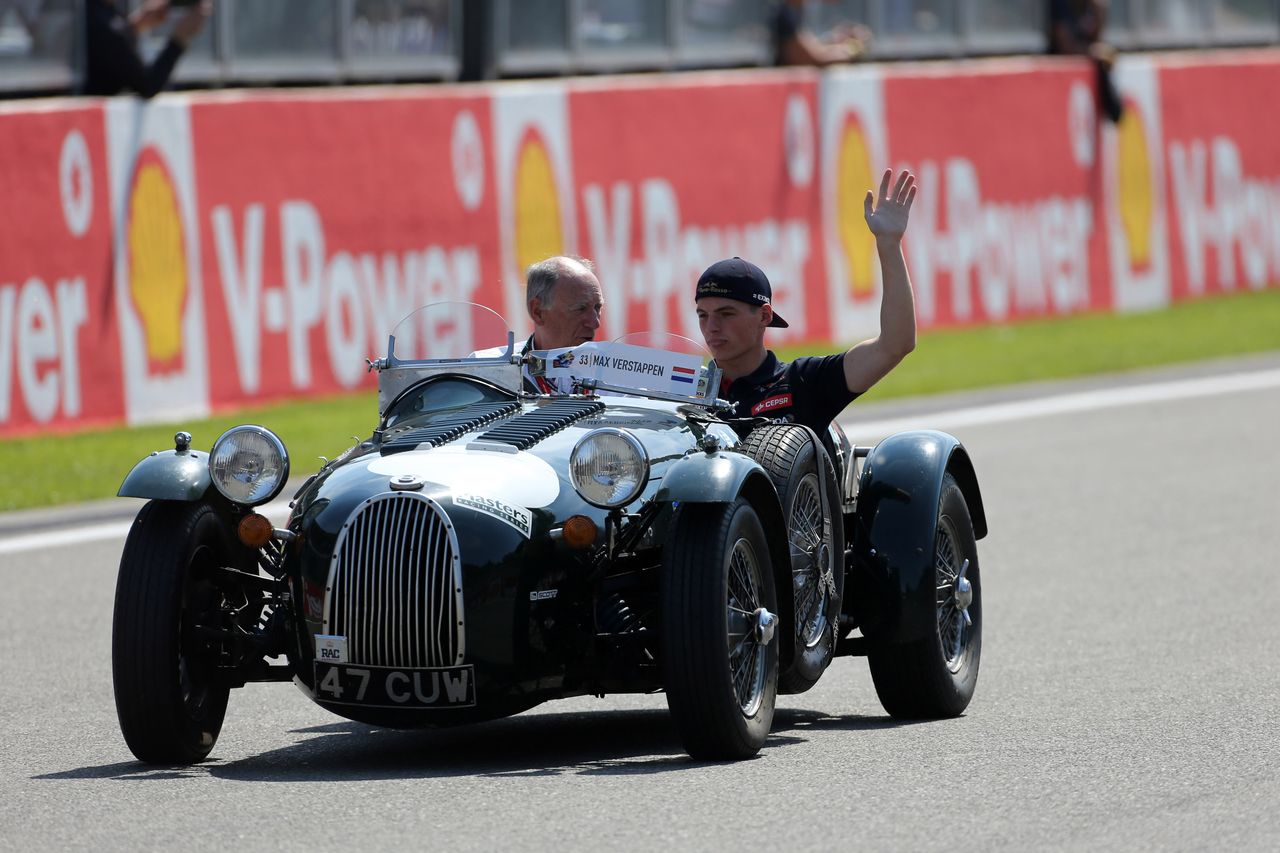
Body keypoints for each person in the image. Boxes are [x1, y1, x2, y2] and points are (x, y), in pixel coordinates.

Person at [694, 168, 916, 437]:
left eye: (726, 313)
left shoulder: (803, 380)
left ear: (765, 316)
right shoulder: (685, 389)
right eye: (703, 315)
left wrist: (889, 244)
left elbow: (895, 345)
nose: (711, 327)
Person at [471, 256, 604, 393]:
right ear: (538, 311)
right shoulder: (487, 372)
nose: (594, 323)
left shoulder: (617, 374)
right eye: (580, 308)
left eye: (597, 307)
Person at [81, 0, 212, 98]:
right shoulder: (96, 18)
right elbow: (148, 86)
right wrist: (180, 37)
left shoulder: (101, 11)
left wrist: (134, 27)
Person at [1047, 0, 1124, 123]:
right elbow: (1065, 47)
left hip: (1085, 68)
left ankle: (1115, 111)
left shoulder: (1090, 8)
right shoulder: (1059, 5)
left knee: (1104, 60)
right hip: (1057, 84)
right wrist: (1091, 51)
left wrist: (1099, 12)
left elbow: (1097, 39)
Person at [770, 0, 870, 67]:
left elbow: (811, 47)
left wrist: (837, 42)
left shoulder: (795, 10)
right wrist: (851, 50)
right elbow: (812, 58)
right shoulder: (784, 13)